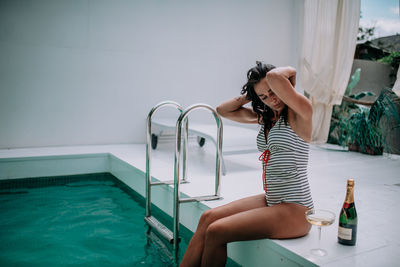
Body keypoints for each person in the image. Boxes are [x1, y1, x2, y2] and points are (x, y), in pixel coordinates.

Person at [179, 62, 314, 267]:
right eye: (264, 97)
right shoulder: (267, 118)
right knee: (208, 218)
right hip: (273, 198)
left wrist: (288, 77)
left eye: (273, 92)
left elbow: (277, 76)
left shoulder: (300, 113)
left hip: (297, 208)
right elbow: (222, 110)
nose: (272, 99)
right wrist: (252, 94)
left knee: (217, 231)